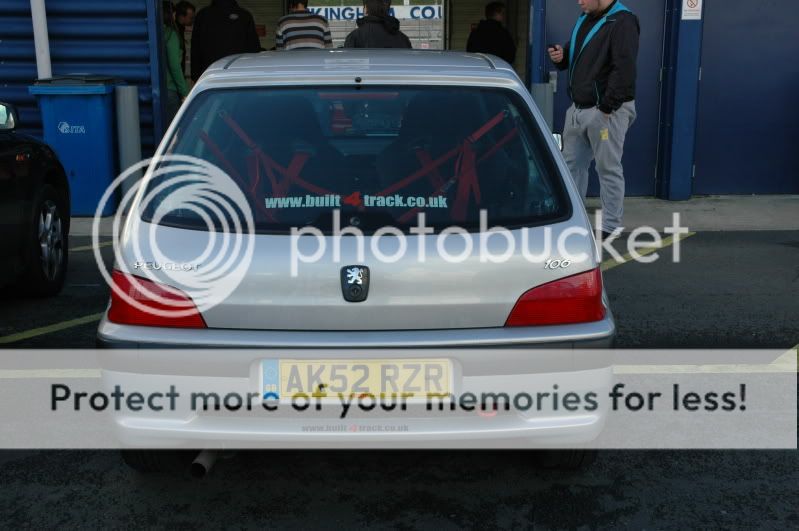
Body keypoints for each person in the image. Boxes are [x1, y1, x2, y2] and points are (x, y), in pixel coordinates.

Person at [548, 0, 639, 238]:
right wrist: (562, 57)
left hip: (606, 111)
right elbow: (577, 55)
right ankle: (573, 220)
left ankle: (610, 226)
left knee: (607, 168)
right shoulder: (587, 18)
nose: (579, 1)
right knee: (571, 167)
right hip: (578, 110)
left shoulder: (622, 22)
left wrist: (606, 109)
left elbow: (625, 68)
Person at [190, 0, 260, 81]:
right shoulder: (245, 16)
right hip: (239, 74)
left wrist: (195, 76)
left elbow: (195, 49)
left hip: (209, 75)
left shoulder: (202, 15)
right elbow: (254, 49)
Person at [344, 0, 412, 49]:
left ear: (365, 9)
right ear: (388, 9)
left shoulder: (354, 38)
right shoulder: (403, 39)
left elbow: (348, 66)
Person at [163, 1, 189, 125]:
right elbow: (175, 66)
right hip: (171, 90)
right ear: (171, 15)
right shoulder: (171, 34)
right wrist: (184, 92)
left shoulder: (157, 33)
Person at [174, 1, 195, 75]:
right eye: (190, 18)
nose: (192, 20)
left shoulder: (180, 29)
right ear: (182, 17)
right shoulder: (175, 33)